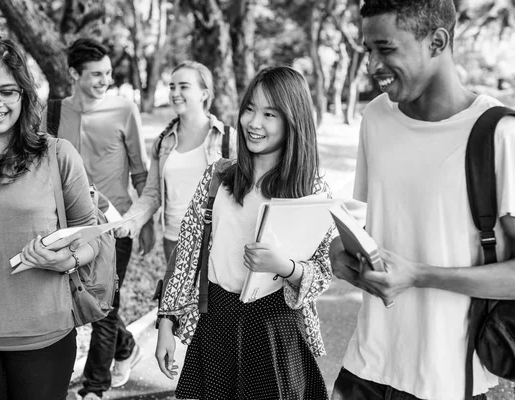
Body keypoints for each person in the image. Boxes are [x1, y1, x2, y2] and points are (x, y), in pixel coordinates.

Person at [329, 1, 515, 400]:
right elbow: (381, 225)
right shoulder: (377, 118)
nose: (371, 65)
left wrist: (418, 275)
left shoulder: (502, 135)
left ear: (437, 41)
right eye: (367, 50)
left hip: (449, 379)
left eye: (385, 48)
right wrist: (343, 253)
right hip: (366, 364)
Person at [154, 66, 332, 400]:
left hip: (274, 327)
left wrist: (286, 266)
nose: (253, 123)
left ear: (293, 121)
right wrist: (167, 321)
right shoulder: (219, 176)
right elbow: (188, 251)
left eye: (269, 114)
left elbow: (323, 271)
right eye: (249, 108)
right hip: (216, 321)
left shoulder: (311, 190)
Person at [0, 35, 99, 400]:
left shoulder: (57, 155)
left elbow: (93, 238)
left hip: (44, 337)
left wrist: (65, 260)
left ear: (23, 93)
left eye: (7, 91)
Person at [48, 38, 150, 400]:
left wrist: (145, 221)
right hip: (67, 226)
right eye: (95, 74)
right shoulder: (54, 112)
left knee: (106, 306)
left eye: (107, 73)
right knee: (79, 301)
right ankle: (125, 346)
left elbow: (141, 171)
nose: (104, 80)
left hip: (115, 224)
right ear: (74, 74)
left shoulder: (124, 110)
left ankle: (94, 388)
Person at [117, 60, 237, 263]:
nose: (174, 93)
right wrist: (128, 223)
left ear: (204, 94)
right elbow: (152, 194)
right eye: (172, 86)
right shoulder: (163, 142)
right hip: (174, 241)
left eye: (184, 87)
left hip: (216, 241)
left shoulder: (227, 138)